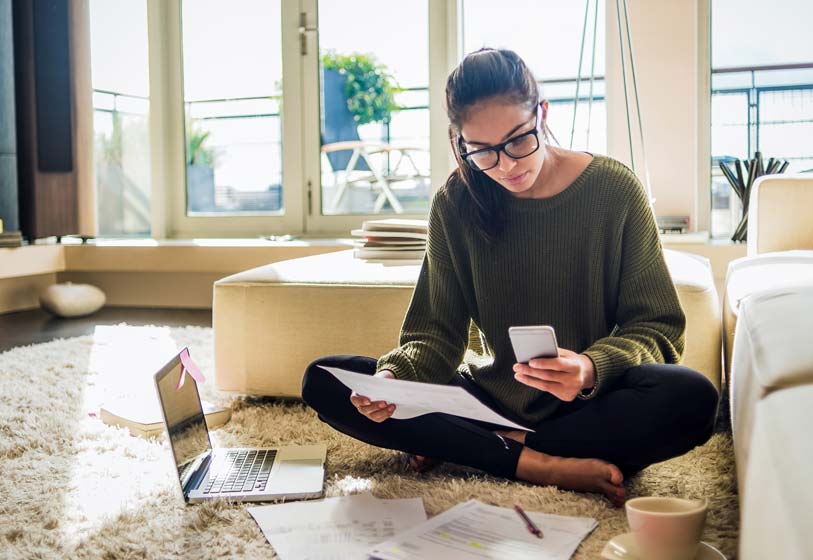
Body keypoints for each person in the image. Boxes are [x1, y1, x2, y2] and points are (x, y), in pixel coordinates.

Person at [301, 48, 718, 506]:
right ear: (460, 142)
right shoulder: (454, 204)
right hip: (484, 400)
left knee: (692, 398)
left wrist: (590, 368)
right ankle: (536, 463)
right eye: (481, 151)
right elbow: (435, 334)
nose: (507, 165)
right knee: (326, 379)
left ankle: (477, 448)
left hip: (583, 408)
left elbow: (657, 327)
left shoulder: (615, 191)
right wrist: (395, 377)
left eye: (519, 140)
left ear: (541, 113)